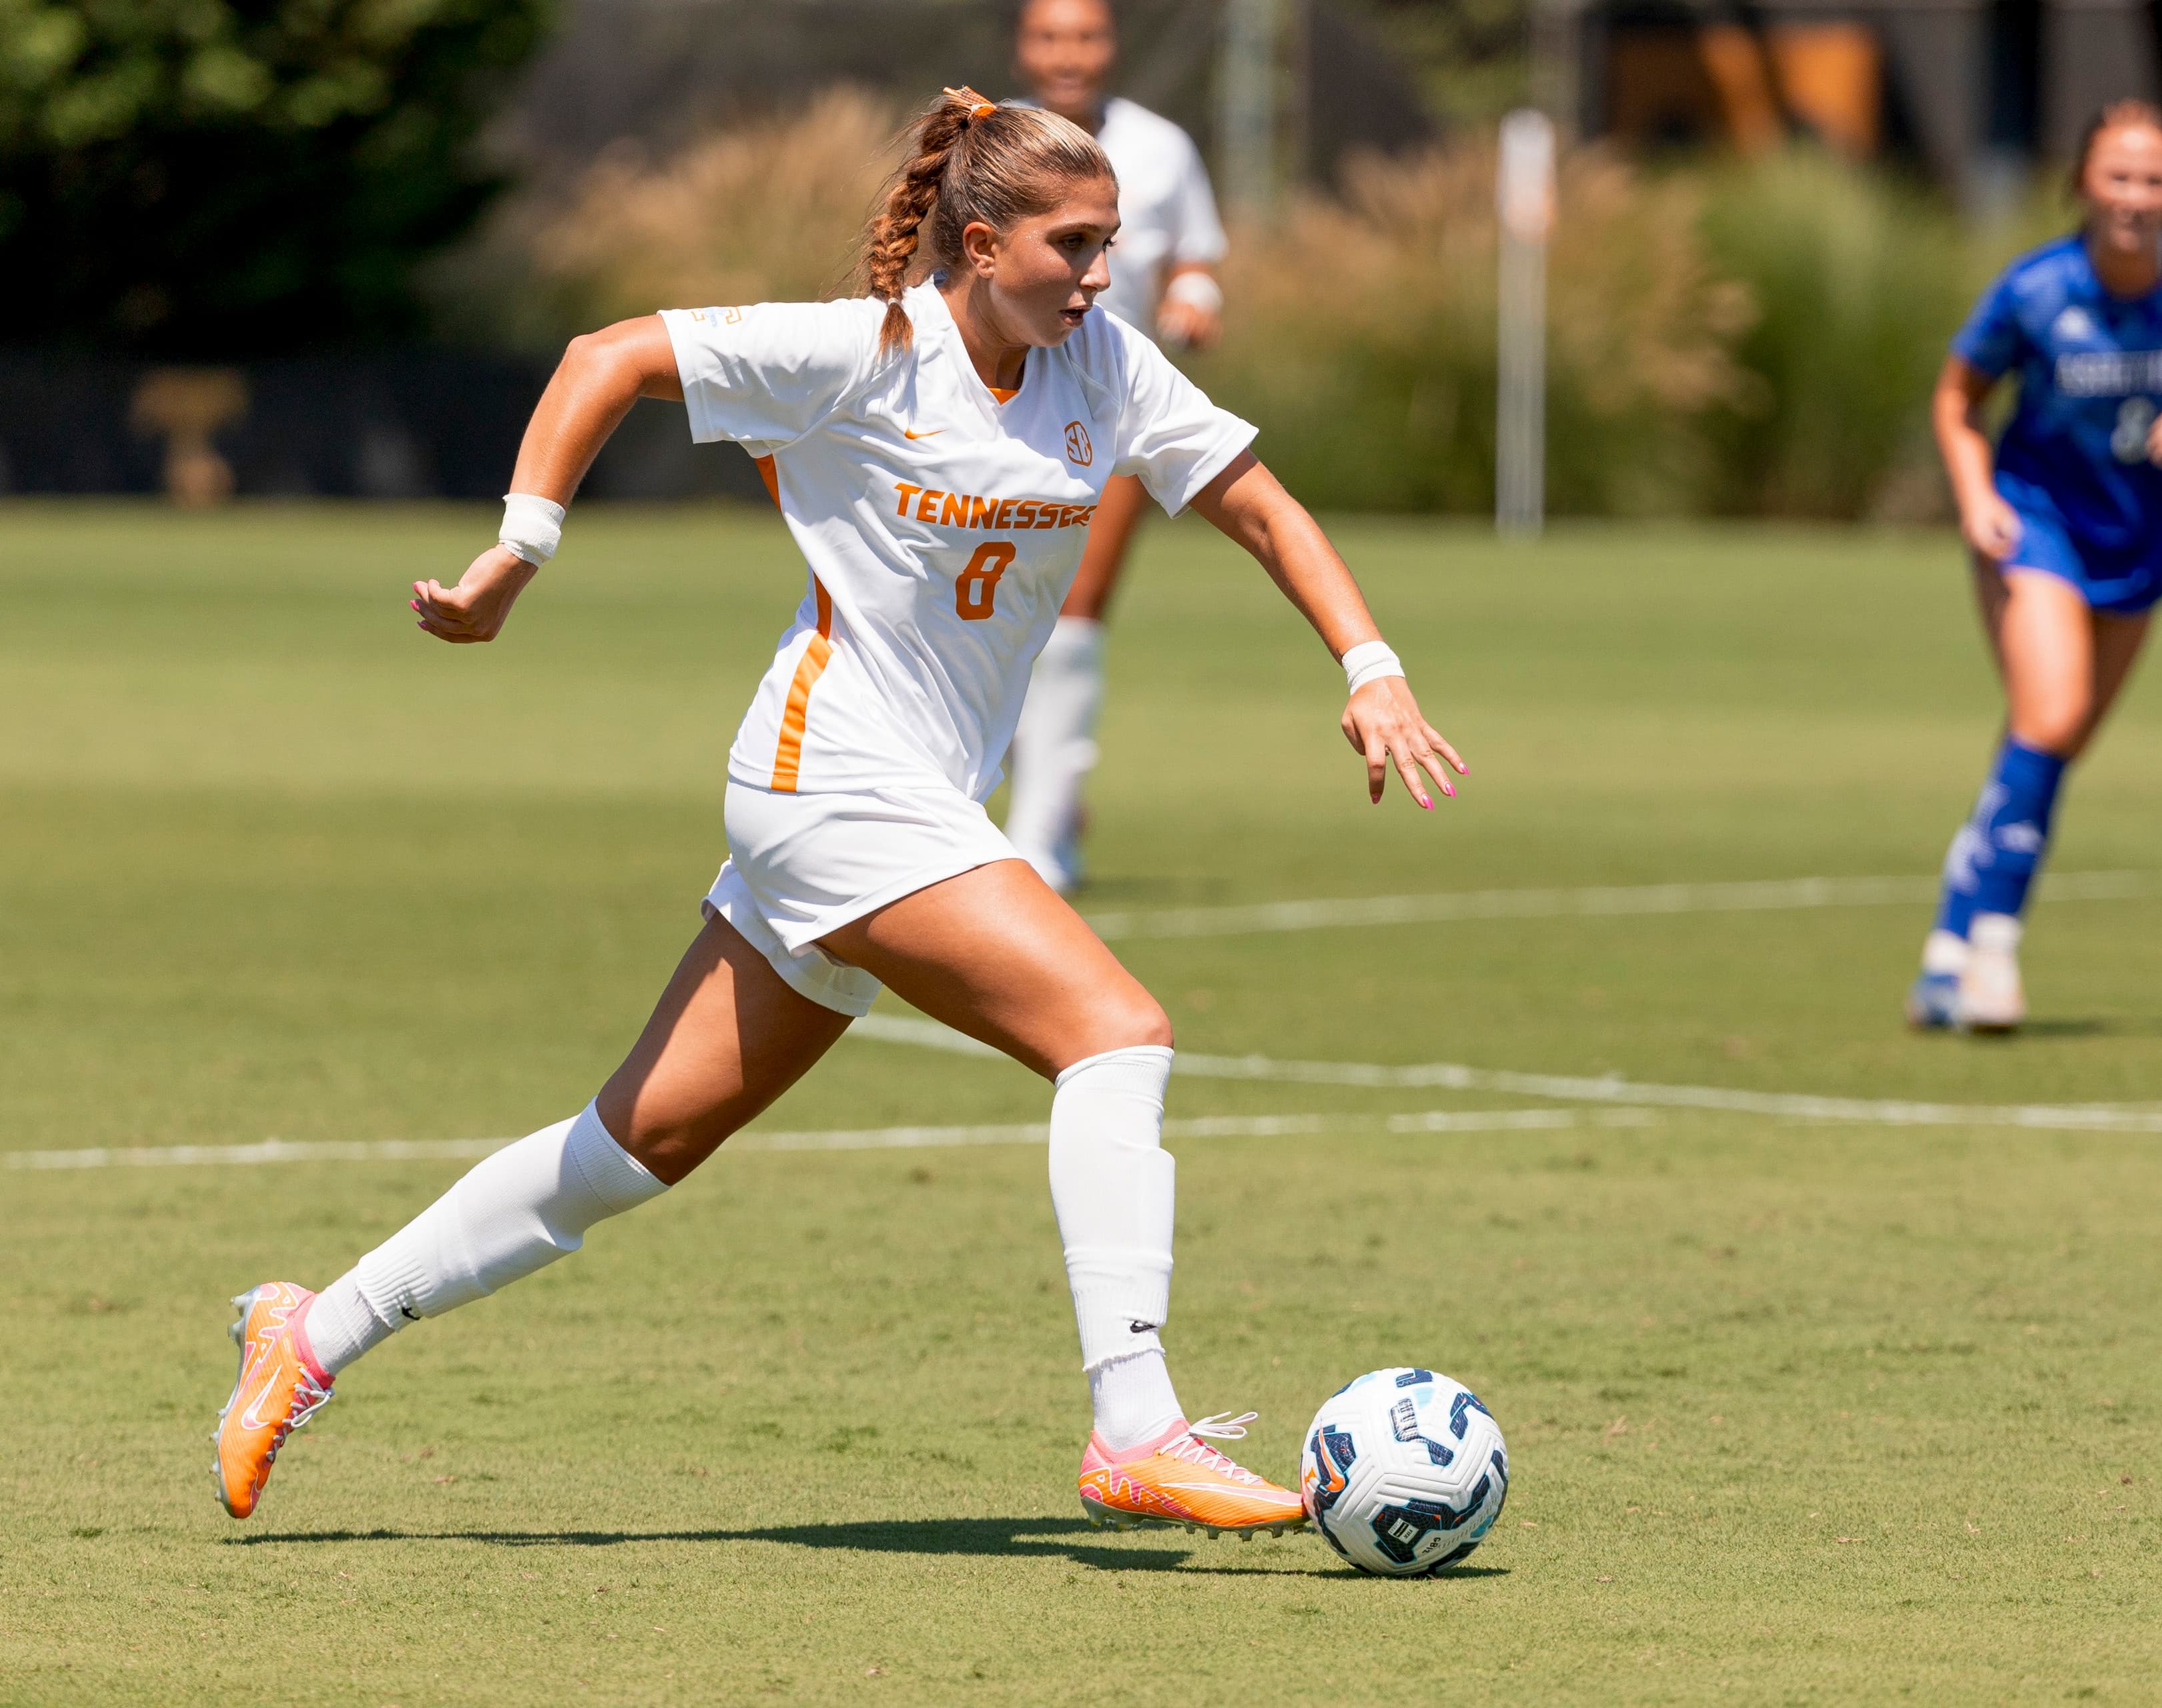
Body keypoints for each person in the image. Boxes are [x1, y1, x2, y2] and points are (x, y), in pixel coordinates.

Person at [210, 88, 1465, 1536]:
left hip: (904, 801)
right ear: (982, 244)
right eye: (1076, 244)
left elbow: (1262, 506)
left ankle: (308, 1332)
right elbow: (604, 357)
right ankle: (1137, 1423)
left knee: (627, 1150)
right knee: (1115, 1032)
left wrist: (1370, 666)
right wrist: (517, 554)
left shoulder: (1101, 367)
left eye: (1114, 242)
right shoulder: (864, 355)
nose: (1104, 273)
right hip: (827, 783)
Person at [1908, 100, 2162, 1032]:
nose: (2134, 197)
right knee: (2052, 713)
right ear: (2082, 182)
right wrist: (1977, 500)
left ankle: (1947, 946)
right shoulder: (2036, 290)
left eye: (2154, 179)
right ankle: (1993, 950)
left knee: (2052, 747)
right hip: (2033, 525)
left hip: (2138, 542)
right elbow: (1957, 402)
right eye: (2117, 176)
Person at [1003, 0, 1230, 893]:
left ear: (1112, 46)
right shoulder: (991, 142)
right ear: (1025, 46)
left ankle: (1038, 848)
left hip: (1107, 404)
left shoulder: (1161, 148)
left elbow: (1194, 255)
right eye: (1051, 35)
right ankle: (1043, 794)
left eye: (1087, 35)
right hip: (992, 399)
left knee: (1075, 610)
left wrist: (1197, 296)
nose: (1070, 53)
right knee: (987, 609)